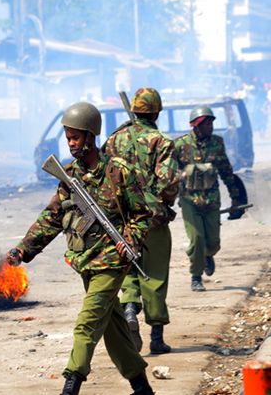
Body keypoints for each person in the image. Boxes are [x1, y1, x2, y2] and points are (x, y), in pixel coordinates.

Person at [2, 102, 155, 395]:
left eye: (75, 137)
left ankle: (71, 386)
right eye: (68, 138)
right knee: (114, 330)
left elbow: (143, 213)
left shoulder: (117, 171)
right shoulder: (69, 175)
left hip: (111, 262)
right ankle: (142, 388)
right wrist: (23, 249)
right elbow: (53, 216)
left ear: (90, 136)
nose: (71, 143)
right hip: (85, 261)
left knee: (86, 325)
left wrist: (131, 241)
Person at [102, 87, 179, 355]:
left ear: (134, 109)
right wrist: (162, 203)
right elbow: (168, 182)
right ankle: (156, 338)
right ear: (156, 111)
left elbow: (103, 175)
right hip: (153, 220)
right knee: (155, 276)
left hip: (121, 220)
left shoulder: (114, 140)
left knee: (129, 272)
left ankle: (131, 311)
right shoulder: (162, 142)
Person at [175, 105, 243, 291]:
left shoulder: (217, 144)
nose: (210, 127)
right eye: (206, 124)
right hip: (189, 200)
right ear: (196, 126)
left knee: (212, 242)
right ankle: (196, 276)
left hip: (212, 200)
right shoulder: (181, 145)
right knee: (196, 239)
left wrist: (235, 197)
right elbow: (169, 172)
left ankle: (207, 255)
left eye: (212, 123)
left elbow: (226, 171)